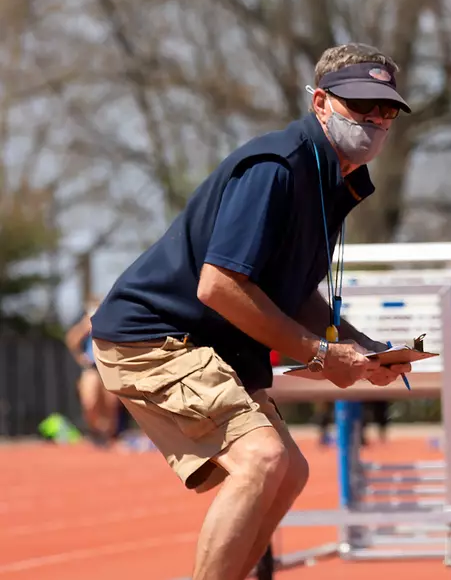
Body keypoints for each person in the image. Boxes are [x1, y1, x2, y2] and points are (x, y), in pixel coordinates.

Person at [88, 43, 413, 580]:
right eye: (361, 106)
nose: (376, 120)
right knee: (263, 460)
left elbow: (292, 291)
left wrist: (361, 348)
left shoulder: (331, 178)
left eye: (387, 111)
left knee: (288, 472)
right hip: (153, 337)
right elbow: (218, 287)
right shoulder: (277, 169)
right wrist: (320, 354)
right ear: (321, 104)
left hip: (198, 342)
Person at [64, 296, 121, 444]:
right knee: (89, 401)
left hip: (109, 366)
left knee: (111, 403)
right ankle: (96, 431)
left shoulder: (112, 320)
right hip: (92, 367)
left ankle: (108, 435)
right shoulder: (85, 324)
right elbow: (71, 339)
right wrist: (80, 357)